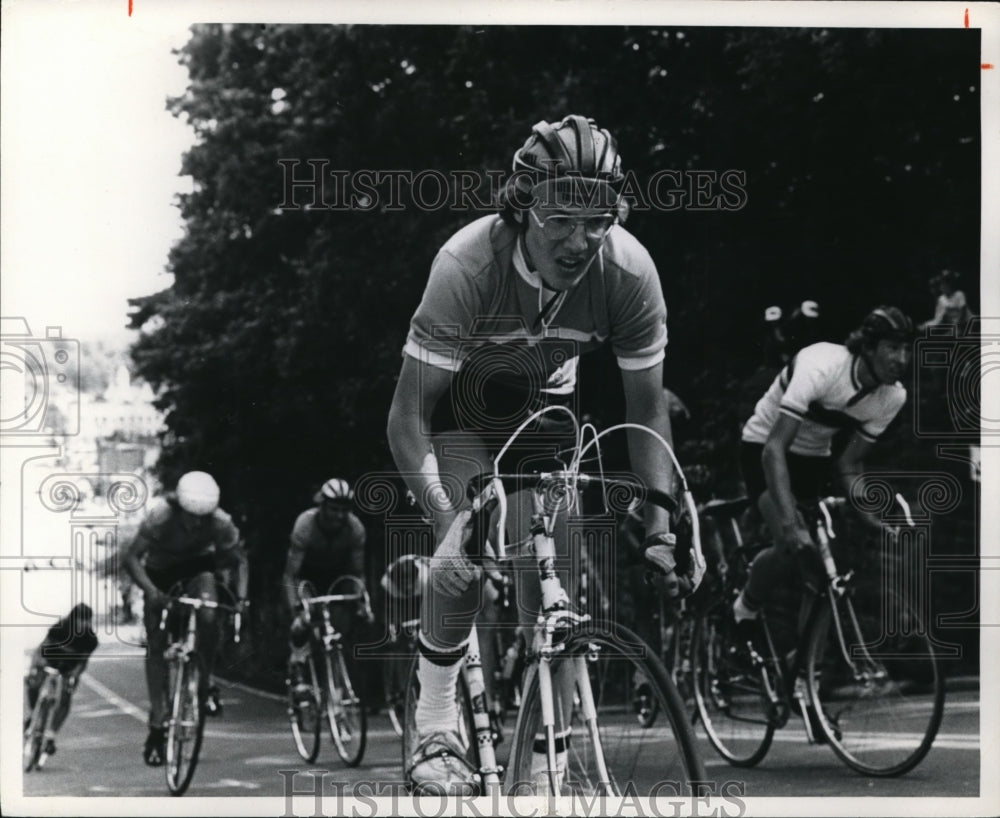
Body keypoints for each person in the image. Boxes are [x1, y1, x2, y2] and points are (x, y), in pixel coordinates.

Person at [386, 114, 693, 792]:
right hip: (467, 419)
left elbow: (646, 411)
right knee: (463, 553)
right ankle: (435, 724)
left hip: (550, 424)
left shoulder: (629, 272)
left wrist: (663, 526)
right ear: (523, 202)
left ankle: (544, 769)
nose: (579, 241)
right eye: (559, 220)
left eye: (597, 220)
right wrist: (444, 522)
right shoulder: (466, 265)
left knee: (554, 597)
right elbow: (408, 416)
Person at [734, 306, 913, 733]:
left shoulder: (892, 396)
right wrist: (791, 521)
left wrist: (871, 515)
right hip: (764, 449)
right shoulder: (820, 364)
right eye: (892, 348)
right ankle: (744, 607)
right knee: (791, 542)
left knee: (826, 579)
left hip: (813, 461)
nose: (901, 359)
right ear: (867, 348)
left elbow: (850, 466)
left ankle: (803, 674)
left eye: (907, 350)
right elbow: (773, 449)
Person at [123, 470, 248, 767]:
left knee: (209, 609)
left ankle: (205, 679)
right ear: (178, 507)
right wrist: (151, 591)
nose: (195, 524)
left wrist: (241, 600)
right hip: (159, 574)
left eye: (202, 519)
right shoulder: (160, 516)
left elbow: (240, 560)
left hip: (196, 570)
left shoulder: (221, 522)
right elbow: (131, 558)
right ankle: (157, 721)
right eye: (190, 517)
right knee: (156, 642)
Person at [283, 478, 372, 697]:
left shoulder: (355, 529)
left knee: (342, 626)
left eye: (344, 510)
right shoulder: (305, 525)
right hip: (307, 578)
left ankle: (336, 682)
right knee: (303, 621)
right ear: (322, 505)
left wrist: (361, 602)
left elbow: (357, 573)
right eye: (334, 509)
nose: (339, 516)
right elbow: (290, 574)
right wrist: (296, 608)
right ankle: (298, 663)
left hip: (337, 577)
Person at [24, 602, 99, 764]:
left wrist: (73, 677)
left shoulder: (90, 640)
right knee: (33, 683)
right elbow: (41, 649)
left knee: (66, 696)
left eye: (88, 620)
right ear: (73, 619)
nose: (85, 624)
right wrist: (36, 667)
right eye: (81, 620)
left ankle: (51, 735)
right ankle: (32, 714)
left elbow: (82, 662)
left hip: (69, 668)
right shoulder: (59, 629)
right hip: (50, 660)